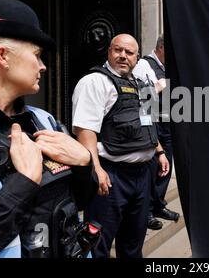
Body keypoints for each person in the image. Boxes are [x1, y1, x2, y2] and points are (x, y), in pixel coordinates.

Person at [0, 0, 98, 258]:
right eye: (37, 55)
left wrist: (85, 163)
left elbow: (79, 201)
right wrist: (23, 184)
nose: (43, 66)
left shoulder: (43, 119)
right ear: (3, 56)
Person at [72, 34, 170, 258]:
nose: (123, 56)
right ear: (109, 52)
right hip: (111, 176)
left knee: (133, 245)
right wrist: (96, 169)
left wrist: (160, 152)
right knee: (98, 246)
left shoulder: (141, 84)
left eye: (129, 53)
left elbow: (148, 125)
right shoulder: (94, 82)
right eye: (118, 50)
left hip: (143, 174)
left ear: (137, 57)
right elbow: (85, 131)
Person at [133, 34, 180, 231]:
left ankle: (158, 203)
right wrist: (160, 86)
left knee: (165, 166)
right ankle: (148, 211)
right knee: (152, 167)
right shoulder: (145, 64)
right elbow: (144, 96)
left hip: (169, 122)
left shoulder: (168, 67)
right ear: (161, 48)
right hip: (153, 122)